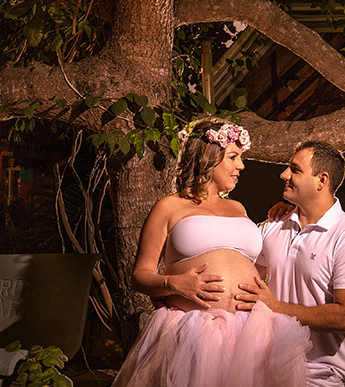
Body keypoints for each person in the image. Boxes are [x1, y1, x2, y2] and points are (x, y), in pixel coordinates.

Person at [113, 120, 310, 387]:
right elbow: (139, 276)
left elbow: (252, 262)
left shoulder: (239, 208)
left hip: (251, 332)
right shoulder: (169, 207)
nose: (241, 166)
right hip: (194, 333)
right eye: (233, 157)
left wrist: (284, 213)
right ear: (208, 157)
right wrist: (174, 284)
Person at [236, 140, 345, 387]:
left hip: (326, 375)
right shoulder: (274, 224)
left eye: (295, 169)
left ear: (321, 180)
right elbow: (246, 278)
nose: (284, 175)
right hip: (272, 364)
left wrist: (276, 307)